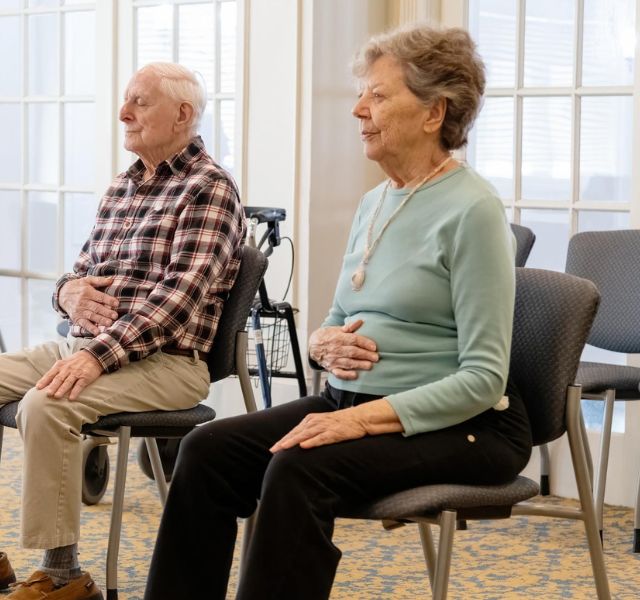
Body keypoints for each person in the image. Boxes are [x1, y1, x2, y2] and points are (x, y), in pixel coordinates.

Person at [144, 25, 532, 600]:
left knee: (300, 467)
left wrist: (352, 422)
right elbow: (336, 319)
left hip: (466, 426)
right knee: (207, 452)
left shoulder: (473, 211)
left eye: (378, 95)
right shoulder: (376, 200)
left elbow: (482, 379)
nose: (358, 109)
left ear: (434, 112)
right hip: (350, 399)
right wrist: (322, 344)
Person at [0, 62, 245, 600]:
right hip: (87, 345)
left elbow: (178, 301)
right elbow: (80, 271)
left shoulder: (209, 189)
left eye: (138, 101)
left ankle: (62, 576)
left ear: (182, 114)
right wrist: (65, 292)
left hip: (168, 363)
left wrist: (95, 357)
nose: (122, 113)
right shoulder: (122, 187)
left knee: (47, 405)